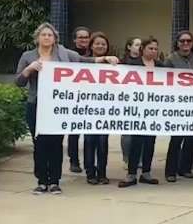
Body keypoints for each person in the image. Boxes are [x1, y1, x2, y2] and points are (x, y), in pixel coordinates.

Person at [16, 23, 118, 195]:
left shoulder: (64, 54)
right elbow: (19, 81)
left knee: (56, 144)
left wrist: (105, 59)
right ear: (37, 38)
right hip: (36, 105)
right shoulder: (28, 56)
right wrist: (29, 69)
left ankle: (55, 181)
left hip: (58, 107)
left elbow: (84, 60)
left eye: (50, 35)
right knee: (39, 144)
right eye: (43, 35)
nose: (47, 38)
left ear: (55, 38)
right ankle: (42, 181)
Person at [119, 37, 162, 187]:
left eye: (156, 49)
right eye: (151, 48)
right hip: (137, 109)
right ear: (142, 49)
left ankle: (146, 172)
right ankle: (131, 174)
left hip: (154, 109)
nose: (154, 51)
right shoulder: (133, 65)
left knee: (150, 141)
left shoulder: (161, 66)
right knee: (136, 141)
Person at [163, 31, 193, 182]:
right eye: (182, 41)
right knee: (176, 139)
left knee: (191, 139)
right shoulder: (170, 60)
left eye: (188, 41)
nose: (186, 44)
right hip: (177, 104)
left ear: (192, 43)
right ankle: (170, 171)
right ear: (177, 43)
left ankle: (185, 168)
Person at [83, 32, 115, 185]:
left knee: (103, 142)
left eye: (103, 44)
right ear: (91, 45)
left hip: (106, 109)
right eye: (97, 43)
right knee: (89, 141)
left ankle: (102, 173)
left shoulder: (113, 65)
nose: (100, 46)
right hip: (88, 108)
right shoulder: (83, 63)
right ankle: (90, 173)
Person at [67, 26, 91, 173]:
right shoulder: (68, 55)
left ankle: (89, 162)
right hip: (74, 97)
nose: (84, 40)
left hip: (92, 98)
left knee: (89, 133)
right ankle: (74, 161)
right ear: (75, 39)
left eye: (86, 37)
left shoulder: (93, 53)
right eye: (80, 37)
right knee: (74, 132)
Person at [120, 37, 143, 170]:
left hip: (142, 100)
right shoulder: (123, 62)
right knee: (127, 132)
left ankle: (138, 158)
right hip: (127, 100)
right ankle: (127, 158)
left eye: (140, 45)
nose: (138, 47)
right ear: (129, 47)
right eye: (136, 45)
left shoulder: (144, 62)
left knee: (140, 132)